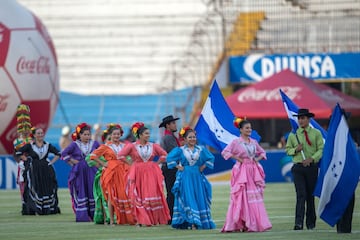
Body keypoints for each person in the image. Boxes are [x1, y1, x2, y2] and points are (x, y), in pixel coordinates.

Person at [221, 117, 272, 232]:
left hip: (253, 171)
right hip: (241, 171)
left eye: (250, 128)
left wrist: (257, 159)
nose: (249, 130)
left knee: (253, 197)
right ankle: (241, 223)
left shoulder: (253, 142)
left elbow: (262, 152)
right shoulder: (236, 142)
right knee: (241, 196)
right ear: (241, 130)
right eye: (247, 128)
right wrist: (238, 158)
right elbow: (225, 152)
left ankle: (253, 223)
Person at [117, 122, 170, 226]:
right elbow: (120, 155)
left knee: (151, 194)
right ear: (140, 135)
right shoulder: (132, 146)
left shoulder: (153, 145)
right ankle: (141, 219)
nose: (148, 135)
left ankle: (152, 219)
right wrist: (131, 163)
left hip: (151, 172)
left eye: (148, 133)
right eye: (146, 133)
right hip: (137, 172)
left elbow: (164, 154)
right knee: (139, 195)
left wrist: (157, 163)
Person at [166, 126, 216, 230]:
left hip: (197, 176)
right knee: (188, 197)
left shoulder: (200, 149)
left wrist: (203, 166)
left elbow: (211, 158)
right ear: (184, 139)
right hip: (186, 176)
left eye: (194, 137)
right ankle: (192, 222)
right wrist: (178, 167)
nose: (193, 139)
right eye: (190, 137)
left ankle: (198, 221)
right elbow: (169, 158)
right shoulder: (180, 150)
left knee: (198, 196)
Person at [286, 108, 324, 230]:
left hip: (311, 168)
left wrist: (312, 159)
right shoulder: (293, 135)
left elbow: (321, 149)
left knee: (310, 196)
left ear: (308, 119)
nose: (300, 120)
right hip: (298, 168)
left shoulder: (316, 133)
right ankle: (298, 223)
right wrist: (295, 150)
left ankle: (311, 223)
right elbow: (288, 150)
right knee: (301, 195)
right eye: (299, 118)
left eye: (303, 118)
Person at [90, 124, 135, 225]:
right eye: (114, 134)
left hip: (123, 171)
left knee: (125, 194)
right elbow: (93, 155)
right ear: (110, 135)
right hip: (111, 172)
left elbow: (132, 155)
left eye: (118, 134)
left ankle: (125, 218)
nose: (116, 136)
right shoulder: (106, 146)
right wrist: (103, 164)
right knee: (111, 195)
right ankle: (111, 220)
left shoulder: (125, 145)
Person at [16, 127, 61, 215]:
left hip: (45, 170)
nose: (40, 135)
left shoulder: (47, 145)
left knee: (47, 188)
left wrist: (51, 162)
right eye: (38, 133)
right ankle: (35, 207)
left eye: (41, 133)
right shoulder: (30, 145)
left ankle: (47, 208)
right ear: (34, 135)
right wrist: (26, 159)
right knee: (35, 187)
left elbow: (58, 153)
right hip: (34, 170)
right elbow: (18, 152)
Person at [61, 122, 100, 222]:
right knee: (81, 191)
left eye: (88, 134)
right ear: (80, 135)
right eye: (85, 134)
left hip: (92, 171)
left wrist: (98, 162)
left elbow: (102, 153)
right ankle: (83, 216)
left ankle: (95, 215)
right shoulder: (74, 145)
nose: (87, 136)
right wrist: (72, 161)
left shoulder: (94, 143)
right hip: (79, 172)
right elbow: (64, 154)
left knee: (92, 191)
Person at [85, 129, 111, 224]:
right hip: (102, 176)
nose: (110, 141)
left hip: (114, 176)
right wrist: (101, 164)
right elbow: (89, 158)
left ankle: (113, 217)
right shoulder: (102, 149)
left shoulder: (116, 149)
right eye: (108, 138)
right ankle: (105, 218)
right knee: (103, 197)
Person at [336, 109, 355, 234]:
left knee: (343, 200)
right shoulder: (340, 135)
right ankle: (344, 227)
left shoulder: (343, 134)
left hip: (343, 174)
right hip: (341, 173)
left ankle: (343, 228)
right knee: (345, 200)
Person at [159, 115, 180, 223]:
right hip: (171, 167)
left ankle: (169, 216)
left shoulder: (169, 136)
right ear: (168, 125)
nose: (175, 125)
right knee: (172, 193)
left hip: (169, 167)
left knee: (171, 192)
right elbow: (175, 152)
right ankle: (169, 216)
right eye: (173, 123)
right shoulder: (168, 138)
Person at [13, 104, 33, 214]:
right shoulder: (16, 142)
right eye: (23, 129)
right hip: (22, 166)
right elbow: (15, 154)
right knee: (23, 185)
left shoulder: (32, 140)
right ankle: (24, 204)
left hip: (31, 164)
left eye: (27, 129)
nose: (25, 131)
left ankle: (33, 204)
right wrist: (20, 160)